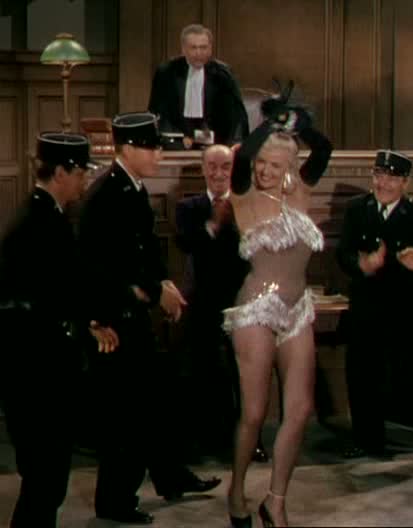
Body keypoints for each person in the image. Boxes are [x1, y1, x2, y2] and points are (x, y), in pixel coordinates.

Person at [77, 112, 221, 525]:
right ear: (127, 149)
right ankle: (115, 501)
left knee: (157, 398)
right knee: (126, 414)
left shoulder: (133, 188)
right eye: (151, 147)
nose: (159, 154)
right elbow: (106, 264)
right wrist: (156, 292)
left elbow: (145, 249)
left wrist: (163, 283)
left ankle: (171, 476)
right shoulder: (108, 194)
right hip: (114, 318)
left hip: (134, 311)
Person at [0, 133, 119, 527]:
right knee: (44, 479)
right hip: (35, 371)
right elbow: (42, 300)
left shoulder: (48, 215)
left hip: (40, 364)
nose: (85, 180)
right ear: (62, 172)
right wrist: (84, 326)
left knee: (47, 481)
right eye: (81, 172)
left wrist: (88, 322)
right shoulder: (38, 223)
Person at [224, 98, 332, 528]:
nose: (264, 171)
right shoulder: (243, 195)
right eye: (261, 163)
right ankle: (236, 491)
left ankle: (276, 501)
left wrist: (300, 122)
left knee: (300, 410)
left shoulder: (301, 188)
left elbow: (323, 149)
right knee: (254, 414)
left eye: (274, 164)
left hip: (297, 309)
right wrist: (269, 124)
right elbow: (242, 158)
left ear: (289, 166)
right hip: (257, 308)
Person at [336, 150, 413, 465]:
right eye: (379, 175)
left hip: (406, 308)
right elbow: (343, 254)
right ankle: (367, 440)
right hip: (367, 307)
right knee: (363, 375)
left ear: (405, 183)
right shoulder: (357, 210)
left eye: (392, 178)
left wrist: (404, 265)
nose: (383, 183)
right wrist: (361, 264)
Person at [175, 144, 268, 462]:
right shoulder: (189, 208)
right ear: (203, 169)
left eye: (225, 167)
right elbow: (186, 243)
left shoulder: (247, 206)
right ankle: (204, 439)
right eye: (212, 167)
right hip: (202, 302)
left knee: (246, 374)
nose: (218, 174)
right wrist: (214, 224)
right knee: (200, 369)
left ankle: (252, 440)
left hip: (242, 301)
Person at [148, 23, 249, 148]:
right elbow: (158, 112)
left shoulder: (223, 73)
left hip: (214, 140)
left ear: (210, 48)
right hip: (178, 139)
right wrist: (178, 138)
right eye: (193, 48)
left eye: (203, 47)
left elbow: (236, 114)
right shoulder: (167, 72)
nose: (198, 53)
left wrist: (236, 142)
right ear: (183, 49)